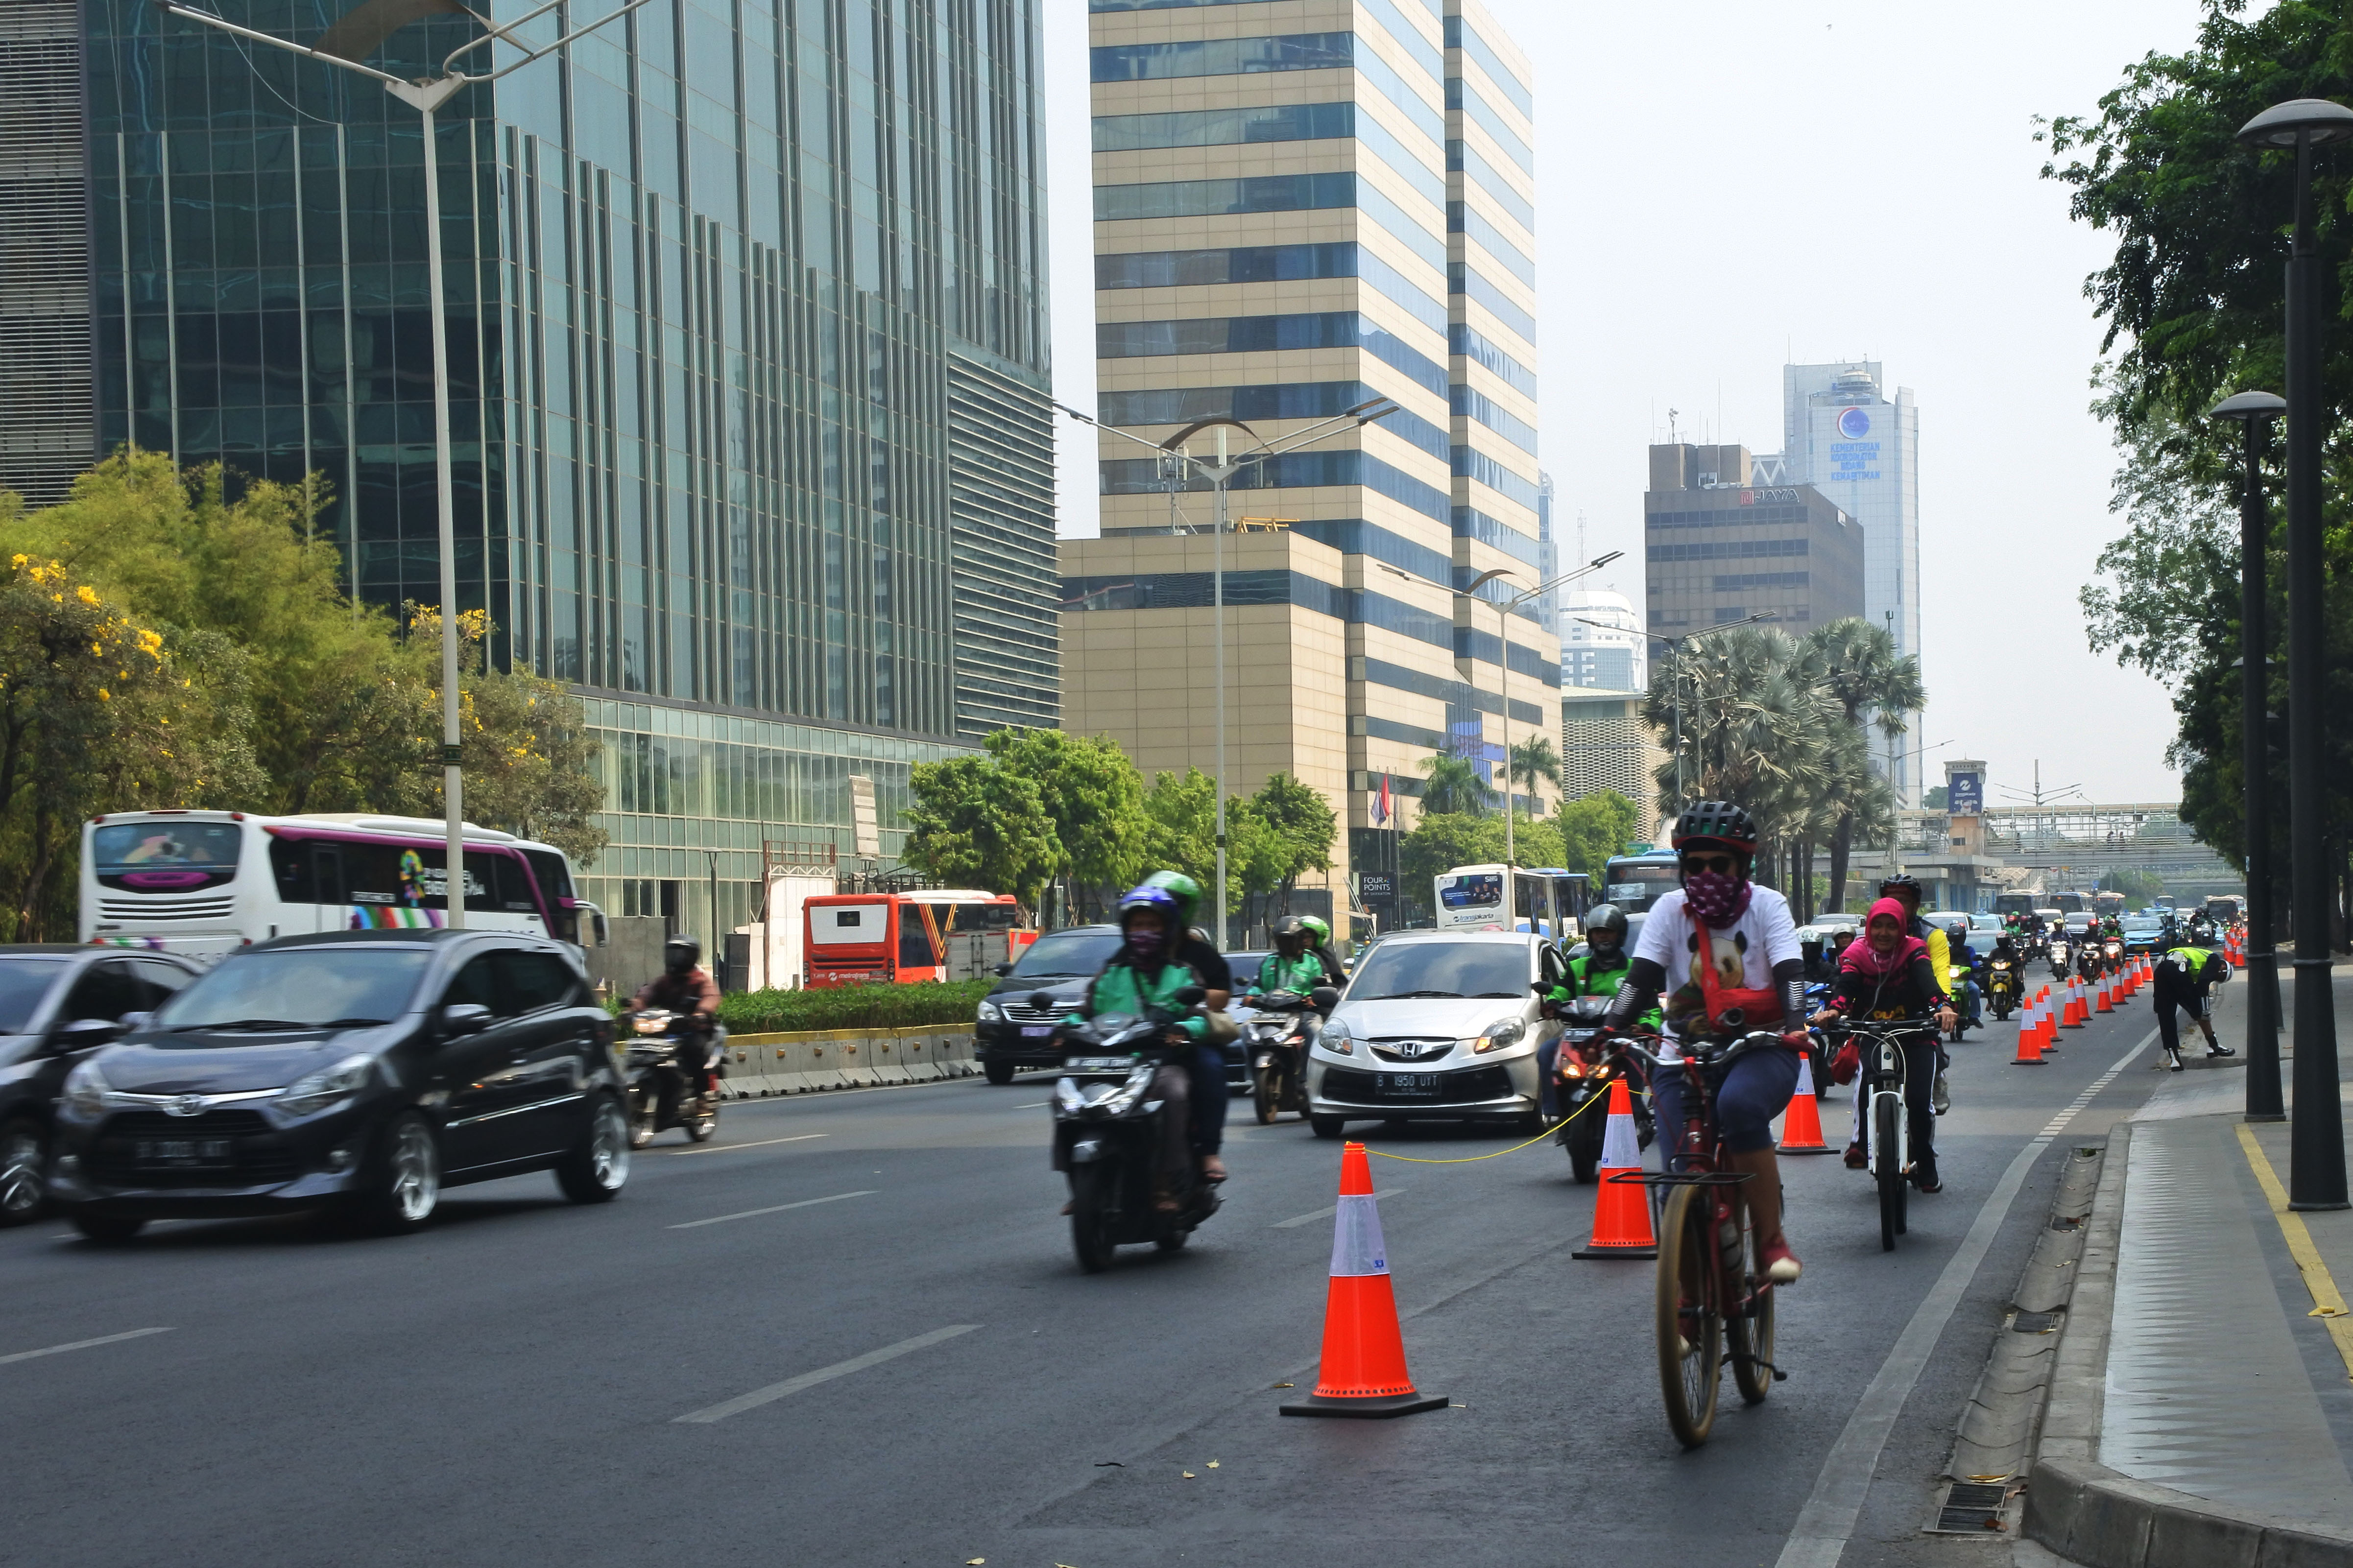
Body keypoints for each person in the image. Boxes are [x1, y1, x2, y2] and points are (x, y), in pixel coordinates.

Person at [1593, 801, 1809, 1284]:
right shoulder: (1668, 911)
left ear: (1742, 866)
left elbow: (1790, 973)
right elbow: (1640, 978)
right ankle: (1688, 1307)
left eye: (1719, 864)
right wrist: (1610, 1028)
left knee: (1736, 1106)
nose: (1705, 874)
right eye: (1694, 865)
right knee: (1676, 1179)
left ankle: (1771, 1238)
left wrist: (1795, 1023)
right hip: (1680, 1056)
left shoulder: (1767, 905)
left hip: (1760, 1047)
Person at [1069, 884, 1213, 1207]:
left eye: (1152, 925)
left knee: (1174, 1094)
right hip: (1106, 1065)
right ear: (1126, 930)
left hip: (1158, 1065)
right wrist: (1065, 1029)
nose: (1144, 933)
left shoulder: (1183, 974)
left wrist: (1181, 1029)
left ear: (1166, 930)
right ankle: (1076, 1184)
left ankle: (1167, 1180)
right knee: (1061, 1099)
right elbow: (1082, 1012)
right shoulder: (1109, 975)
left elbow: (1200, 1018)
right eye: (1137, 926)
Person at [1812, 898, 1958, 1191]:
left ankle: (1927, 1164)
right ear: (1868, 928)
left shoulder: (1915, 949)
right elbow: (1846, 986)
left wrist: (1942, 1007)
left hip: (1916, 1033)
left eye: (1892, 926)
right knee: (1866, 1081)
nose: (1883, 933)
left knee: (1919, 1102)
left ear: (1902, 928)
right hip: (1873, 1033)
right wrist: (1834, 1010)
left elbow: (1928, 982)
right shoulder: (1856, 953)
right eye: (1877, 926)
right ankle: (1861, 1143)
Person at [1137, 870, 1232, 1181]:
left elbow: (1220, 997)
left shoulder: (1197, 954)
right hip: (1137, 1038)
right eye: (1141, 923)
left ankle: (1208, 1151)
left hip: (1188, 1035)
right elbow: (1101, 998)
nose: (1148, 928)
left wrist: (1185, 1008)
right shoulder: (1130, 954)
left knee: (1211, 1069)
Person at [632, 935, 723, 1096]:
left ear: (692, 956)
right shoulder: (665, 981)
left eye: (682, 955)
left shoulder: (700, 980)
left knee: (694, 1051)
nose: (677, 959)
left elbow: (711, 996)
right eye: (673, 954)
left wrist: (701, 1012)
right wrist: (633, 1008)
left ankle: (701, 1096)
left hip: (693, 1029)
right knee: (641, 1050)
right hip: (667, 1031)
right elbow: (648, 993)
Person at [2153, 945, 2236, 1071]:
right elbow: (2203, 982)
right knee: (2200, 1012)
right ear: (2223, 968)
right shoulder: (2214, 959)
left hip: (2162, 970)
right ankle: (2214, 1045)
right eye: (2218, 978)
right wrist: (2203, 1006)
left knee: (2166, 1016)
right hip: (2178, 969)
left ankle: (2174, 1059)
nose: (2215, 978)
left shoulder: (2198, 955)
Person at [1296, 913, 1348, 985]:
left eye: (1309, 937)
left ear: (1317, 938)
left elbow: (1341, 984)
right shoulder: (1290, 957)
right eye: (1301, 937)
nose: (1305, 941)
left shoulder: (1326, 957)